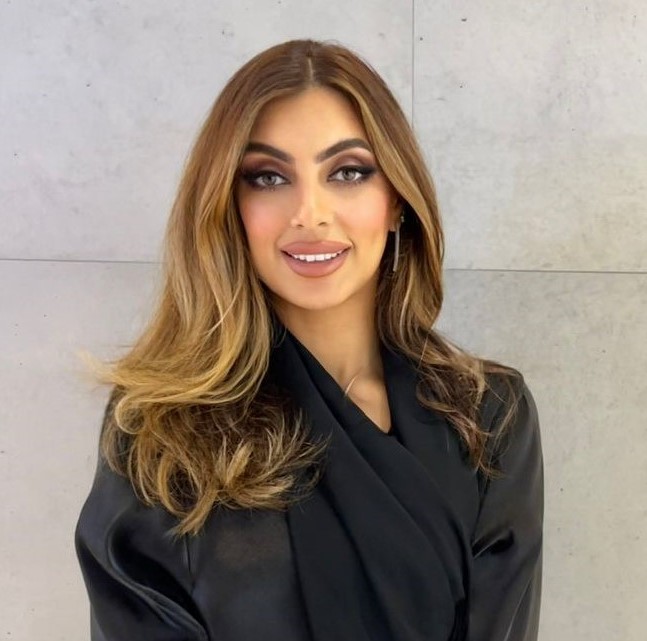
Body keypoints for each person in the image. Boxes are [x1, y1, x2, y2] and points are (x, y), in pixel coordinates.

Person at [74, 39, 543, 641]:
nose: (309, 212)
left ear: (396, 200)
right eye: (268, 177)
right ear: (228, 208)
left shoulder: (488, 415)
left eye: (348, 172)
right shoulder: (160, 429)